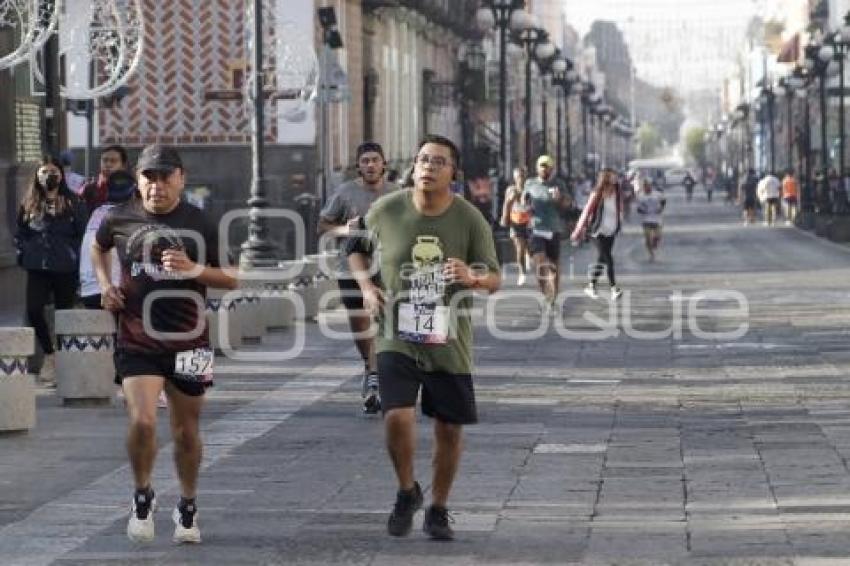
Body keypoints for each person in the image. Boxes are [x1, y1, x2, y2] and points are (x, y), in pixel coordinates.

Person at [346, 134, 501, 541]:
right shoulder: (386, 210)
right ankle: (406, 490)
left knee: (449, 429)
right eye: (422, 160)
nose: (428, 167)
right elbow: (355, 246)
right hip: (396, 333)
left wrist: (472, 277)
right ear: (413, 168)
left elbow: (495, 279)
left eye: (438, 162)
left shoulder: (469, 219)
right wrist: (365, 284)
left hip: (449, 339)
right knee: (396, 415)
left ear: (453, 172)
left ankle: (438, 507)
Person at [91, 144, 238, 544]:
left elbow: (231, 277)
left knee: (187, 431)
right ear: (138, 181)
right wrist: (106, 286)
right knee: (142, 420)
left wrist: (193, 269)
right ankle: (142, 493)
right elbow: (98, 247)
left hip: (190, 341)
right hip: (137, 338)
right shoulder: (119, 216)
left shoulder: (200, 221)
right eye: (148, 177)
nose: (157, 185)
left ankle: (187, 504)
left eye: (165, 176)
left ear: (181, 178)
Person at [318, 141, 396, 415]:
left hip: (387, 265)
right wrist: (343, 229)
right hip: (350, 266)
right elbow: (323, 224)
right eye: (365, 161)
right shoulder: (345, 192)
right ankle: (370, 365)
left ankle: (377, 376)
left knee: (385, 320)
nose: (371, 165)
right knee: (360, 323)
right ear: (359, 166)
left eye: (375, 160)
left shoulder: (397, 194)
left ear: (384, 163)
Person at [14, 156, 88, 385]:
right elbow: (21, 232)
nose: (49, 176)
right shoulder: (29, 202)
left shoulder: (73, 201)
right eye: (44, 172)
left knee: (64, 314)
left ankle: (63, 361)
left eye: (53, 171)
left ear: (61, 175)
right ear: (37, 176)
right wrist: (24, 252)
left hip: (65, 266)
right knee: (34, 310)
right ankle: (49, 353)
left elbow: (82, 233)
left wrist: (72, 253)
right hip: (37, 266)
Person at [523, 155, 567, 313]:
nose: (545, 169)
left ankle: (554, 296)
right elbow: (524, 202)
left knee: (554, 266)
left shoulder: (559, 184)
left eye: (548, 166)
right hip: (536, 228)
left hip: (553, 228)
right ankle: (545, 296)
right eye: (542, 166)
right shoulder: (530, 183)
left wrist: (559, 198)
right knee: (540, 264)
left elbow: (568, 204)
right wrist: (524, 209)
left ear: (552, 168)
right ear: (537, 168)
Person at [571, 168, 623, 301]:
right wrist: (578, 231)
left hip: (610, 231)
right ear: (606, 178)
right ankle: (614, 288)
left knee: (602, 259)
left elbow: (618, 210)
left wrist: (619, 225)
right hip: (597, 231)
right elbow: (586, 212)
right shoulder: (597, 193)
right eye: (613, 176)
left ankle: (591, 285)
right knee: (609, 258)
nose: (616, 178)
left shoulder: (617, 192)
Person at [500, 166, 532, 285]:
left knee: (529, 246)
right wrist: (504, 218)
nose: (521, 179)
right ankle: (522, 272)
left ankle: (528, 255)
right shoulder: (511, 190)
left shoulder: (530, 189)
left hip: (529, 222)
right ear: (515, 178)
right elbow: (506, 205)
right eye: (518, 177)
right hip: (516, 222)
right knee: (520, 247)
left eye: (523, 176)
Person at [81, 145, 130, 213]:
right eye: (105, 160)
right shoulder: (89, 188)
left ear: (123, 165)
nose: (108, 164)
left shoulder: (131, 188)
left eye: (113, 161)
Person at [635, 178, 666, 262]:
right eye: (645, 186)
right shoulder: (640, 196)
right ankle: (651, 255)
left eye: (648, 185)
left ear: (651, 186)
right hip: (646, 219)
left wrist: (661, 208)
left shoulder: (657, 194)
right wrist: (642, 210)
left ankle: (654, 244)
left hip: (657, 219)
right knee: (647, 237)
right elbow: (638, 208)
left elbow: (663, 200)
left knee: (658, 236)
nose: (647, 187)